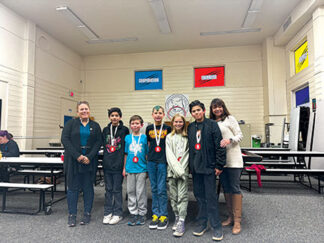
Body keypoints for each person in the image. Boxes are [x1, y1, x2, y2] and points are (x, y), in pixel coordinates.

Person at [187, 100, 226, 241]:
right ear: (191, 114)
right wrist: (190, 167)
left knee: (211, 198)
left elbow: (220, 146)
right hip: (196, 169)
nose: (196, 113)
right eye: (193, 111)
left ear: (203, 110)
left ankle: (216, 226)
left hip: (209, 167)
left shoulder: (212, 125)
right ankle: (202, 223)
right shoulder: (190, 127)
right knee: (199, 197)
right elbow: (191, 148)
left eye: (198, 110)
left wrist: (219, 165)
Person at [61, 101, 102, 227]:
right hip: (73, 161)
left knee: (88, 188)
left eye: (86, 109)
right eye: (81, 109)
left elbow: (98, 142)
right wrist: (77, 156)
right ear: (77, 111)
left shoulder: (95, 125)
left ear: (89, 110)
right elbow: (65, 140)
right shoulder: (71, 124)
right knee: (73, 189)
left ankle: (87, 213)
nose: (84, 111)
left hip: (89, 162)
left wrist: (89, 157)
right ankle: (72, 215)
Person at [209, 98, 244, 235]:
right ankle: (230, 216)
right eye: (214, 107)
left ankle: (237, 221)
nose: (217, 109)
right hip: (221, 161)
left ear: (223, 107)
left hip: (234, 160)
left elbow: (240, 135)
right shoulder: (212, 123)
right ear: (211, 110)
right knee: (226, 188)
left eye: (219, 107)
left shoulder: (230, 119)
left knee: (235, 188)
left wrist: (230, 140)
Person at [145, 105, 171, 230]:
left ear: (163, 114)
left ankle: (163, 215)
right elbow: (149, 144)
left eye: (160, 113)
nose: (158, 115)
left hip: (162, 161)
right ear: (152, 115)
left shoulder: (168, 128)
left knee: (161, 189)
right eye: (155, 113)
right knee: (154, 188)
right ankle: (155, 214)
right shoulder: (149, 128)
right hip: (151, 161)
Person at [102, 107, 129, 225]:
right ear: (109, 117)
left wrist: (124, 166)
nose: (114, 117)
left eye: (116, 115)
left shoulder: (124, 130)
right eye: (112, 115)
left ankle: (118, 213)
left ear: (120, 117)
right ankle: (108, 212)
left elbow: (126, 150)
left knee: (117, 189)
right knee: (108, 189)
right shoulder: (105, 130)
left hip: (118, 165)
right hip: (107, 164)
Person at [165, 114, 189, 237]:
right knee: (173, 196)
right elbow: (169, 155)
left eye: (180, 122)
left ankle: (182, 221)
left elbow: (187, 155)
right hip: (171, 171)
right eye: (176, 122)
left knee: (182, 196)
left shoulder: (187, 137)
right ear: (172, 123)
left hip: (183, 172)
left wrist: (181, 171)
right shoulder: (169, 137)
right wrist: (176, 169)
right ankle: (176, 216)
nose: (178, 124)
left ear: (183, 123)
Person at [123, 115, 148, 226]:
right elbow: (126, 154)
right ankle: (133, 213)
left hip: (141, 168)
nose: (135, 125)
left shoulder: (144, 138)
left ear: (141, 125)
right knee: (131, 191)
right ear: (130, 125)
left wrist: (147, 168)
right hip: (130, 168)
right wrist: (124, 168)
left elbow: (147, 154)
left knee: (140, 192)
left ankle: (142, 213)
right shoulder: (127, 138)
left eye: (137, 123)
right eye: (133, 123)